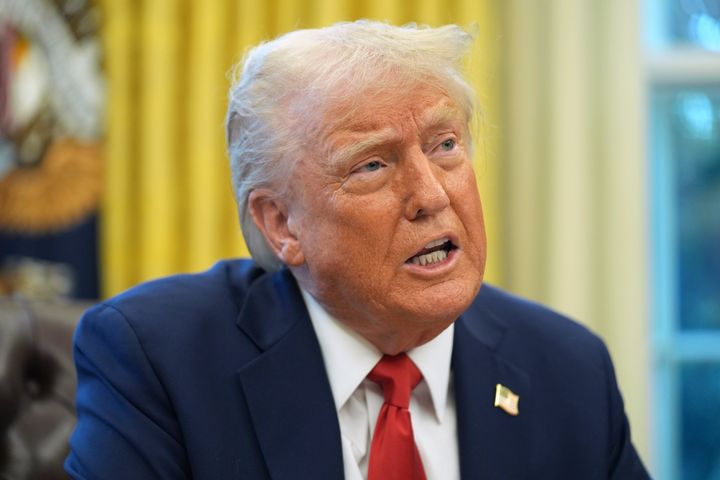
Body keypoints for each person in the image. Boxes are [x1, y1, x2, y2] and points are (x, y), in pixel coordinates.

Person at [65, 20, 650, 479]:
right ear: (281, 224)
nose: (431, 194)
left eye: (445, 145)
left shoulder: (567, 371)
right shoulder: (158, 360)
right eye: (372, 164)